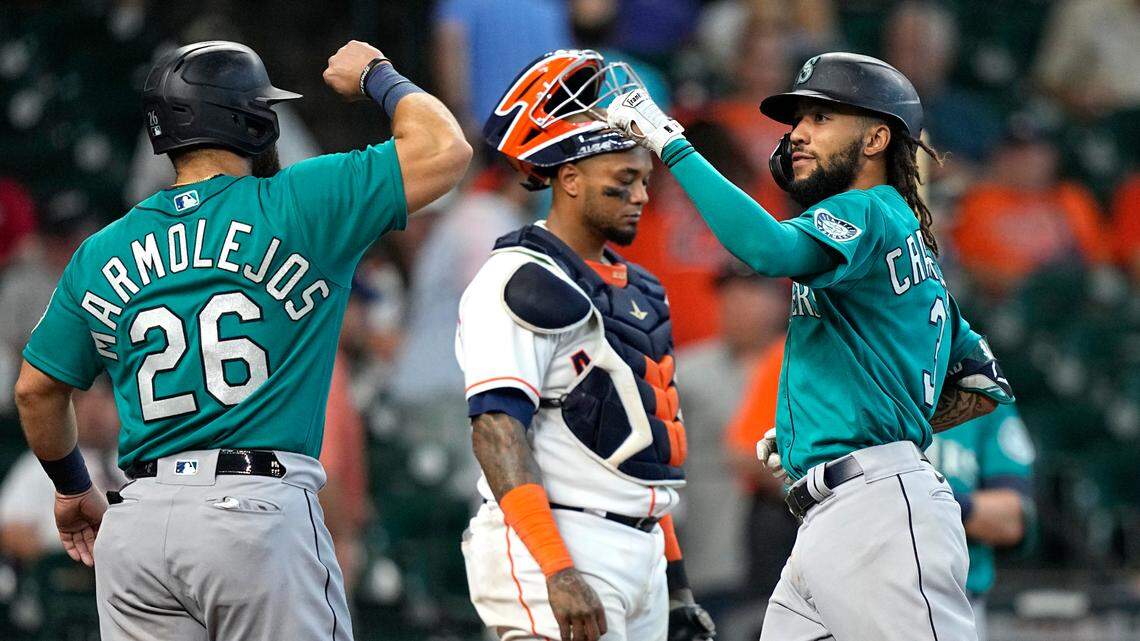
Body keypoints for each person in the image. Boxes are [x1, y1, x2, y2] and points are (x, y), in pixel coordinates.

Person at [13, 39, 470, 641]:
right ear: (251, 120)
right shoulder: (301, 201)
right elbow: (446, 148)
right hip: (255, 513)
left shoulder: (101, 250)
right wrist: (379, 77)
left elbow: (35, 392)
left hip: (138, 525)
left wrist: (73, 488)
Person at [606, 52, 1015, 640]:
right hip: (838, 513)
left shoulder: (866, 209)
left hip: (879, 514)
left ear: (877, 137)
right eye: (797, 120)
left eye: (822, 118)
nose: (798, 132)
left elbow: (769, 251)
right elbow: (979, 385)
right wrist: (824, 424)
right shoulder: (908, 242)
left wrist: (673, 145)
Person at [455, 50, 714, 641]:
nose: (641, 196)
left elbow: (647, 446)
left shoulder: (639, 286)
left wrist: (676, 588)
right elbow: (496, 428)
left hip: (641, 547)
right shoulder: (520, 277)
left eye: (645, 180)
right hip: (558, 543)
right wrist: (557, 566)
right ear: (569, 178)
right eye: (623, 182)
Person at [926, 403, 1036, 641]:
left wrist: (937, 501)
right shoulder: (867, 384)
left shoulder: (979, 390)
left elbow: (1012, 518)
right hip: (861, 592)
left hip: (956, 606)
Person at [0, 377, 125, 562]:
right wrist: (65, 554)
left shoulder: (140, 460)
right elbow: (9, 530)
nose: (95, 414)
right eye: (85, 403)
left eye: (103, 402)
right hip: (65, 571)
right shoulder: (43, 460)